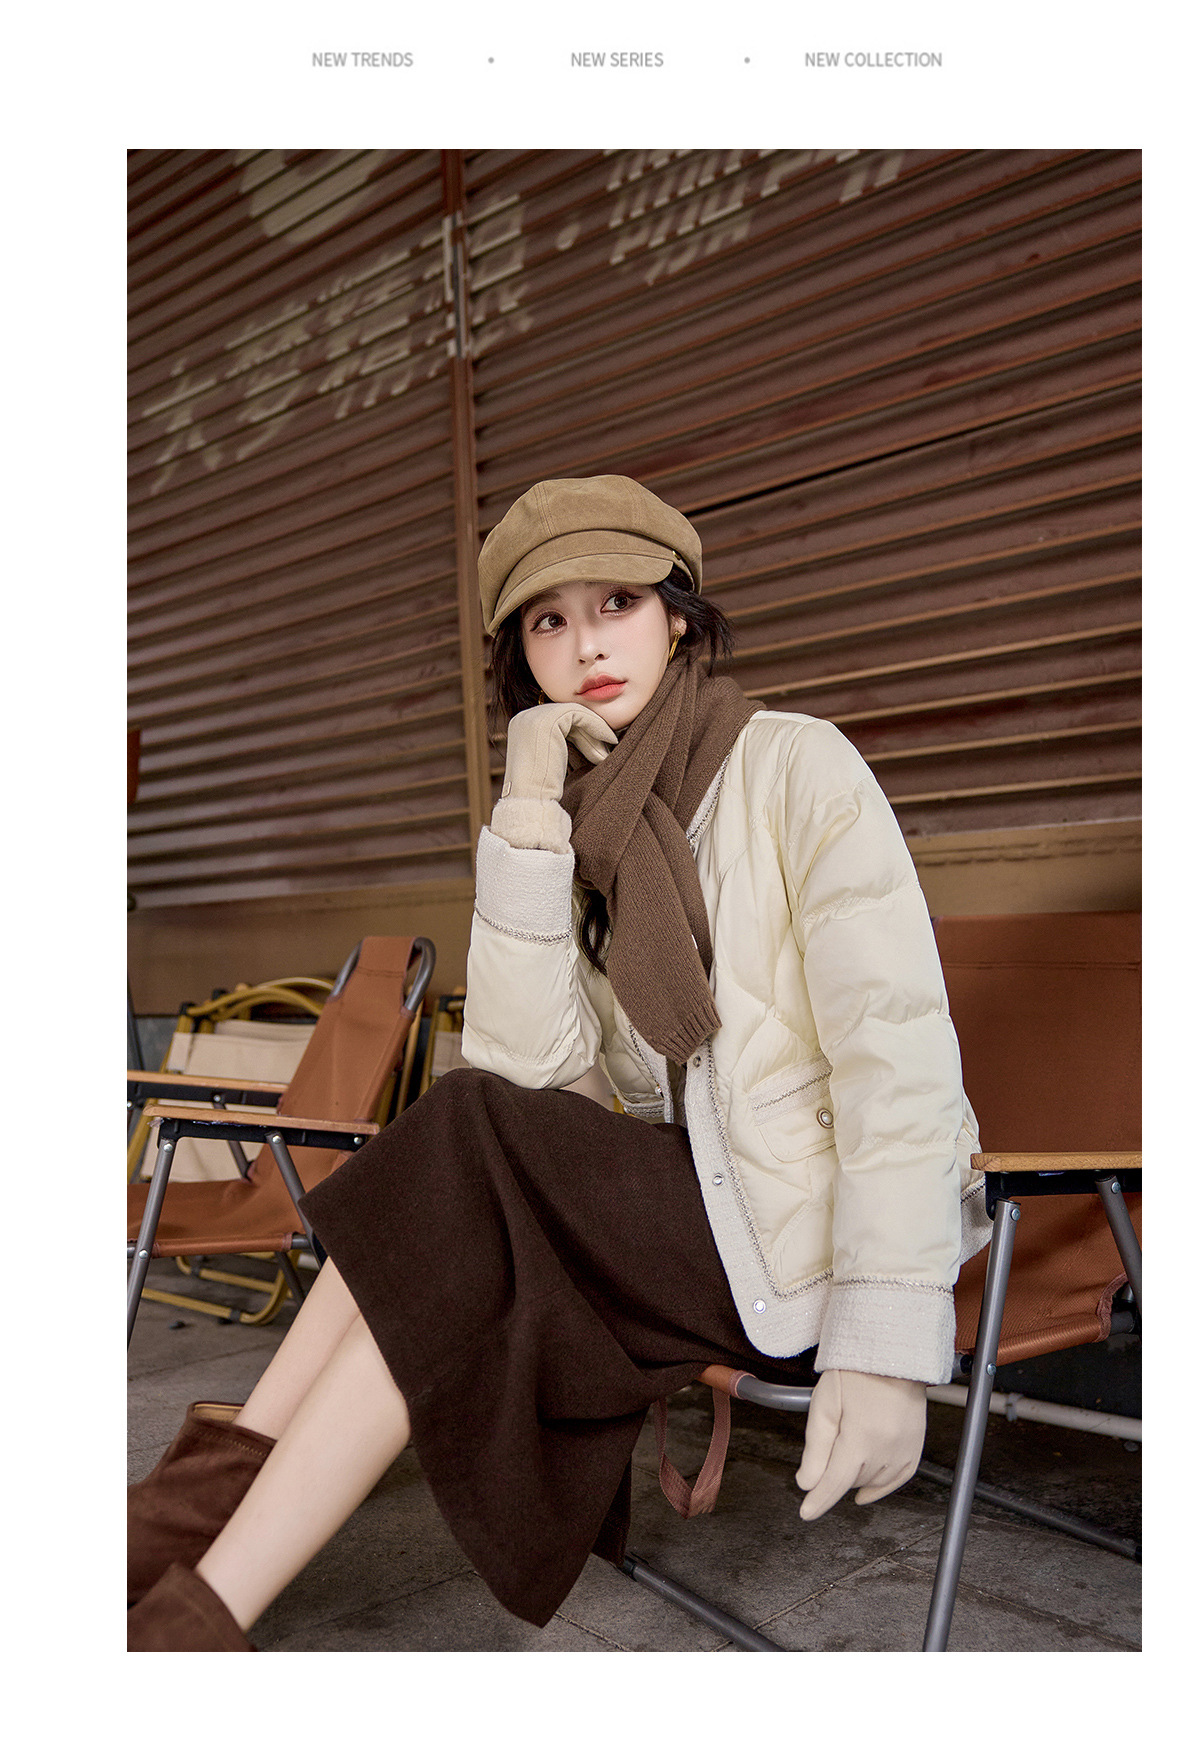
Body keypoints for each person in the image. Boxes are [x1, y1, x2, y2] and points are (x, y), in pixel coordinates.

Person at [127, 474, 989, 1651]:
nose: (586, 645)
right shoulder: (586, 816)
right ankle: (197, 1577)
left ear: (676, 615)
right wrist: (529, 814)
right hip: (679, 1206)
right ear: (520, 656)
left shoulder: (797, 768)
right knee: (459, 1176)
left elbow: (898, 1057)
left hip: (799, 1234)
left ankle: (188, 1558)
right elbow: (531, 1073)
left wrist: (887, 1346)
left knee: (460, 1147)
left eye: (617, 602)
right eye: (548, 619)